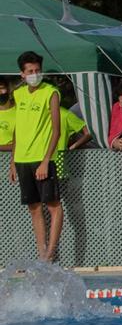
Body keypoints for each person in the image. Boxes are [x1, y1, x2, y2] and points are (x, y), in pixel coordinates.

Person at [11, 53, 65, 263]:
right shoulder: (18, 94)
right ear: (22, 74)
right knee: (34, 208)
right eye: (30, 71)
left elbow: (56, 130)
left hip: (42, 158)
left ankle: (50, 253)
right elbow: (17, 128)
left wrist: (45, 160)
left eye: (37, 70)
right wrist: (13, 161)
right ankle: (42, 254)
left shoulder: (50, 92)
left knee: (53, 206)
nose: (34, 75)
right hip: (22, 159)